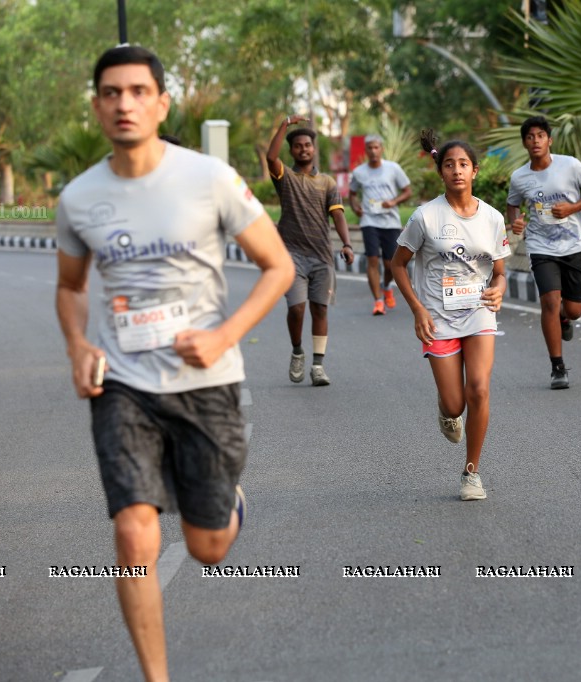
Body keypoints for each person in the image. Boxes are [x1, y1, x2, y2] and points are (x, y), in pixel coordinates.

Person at [54, 45, 294, 682]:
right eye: (111, 92)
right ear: (97, 104)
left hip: (206, 382)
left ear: (161, 103)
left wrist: (224, 336)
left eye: (138, 91)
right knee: (134, 534)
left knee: (207, 547)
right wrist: (79, 347)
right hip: (123, 383)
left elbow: (280, 267)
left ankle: (225, 503)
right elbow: (73, 288)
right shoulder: (80, 198)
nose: (124, 103)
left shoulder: (207, 179)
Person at [391, 129, 510, 501]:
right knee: (455, 403)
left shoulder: (492, 218)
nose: (456, 170)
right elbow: (398, 265)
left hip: (478, 312)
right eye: (449, 165)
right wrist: (417, 309)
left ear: (475, 171)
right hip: (438, 318)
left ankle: (471, 472)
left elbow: (501, 271)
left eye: (463, 164)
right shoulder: (425, 217)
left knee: (479, 388)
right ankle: (447, 411)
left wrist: (499, 290)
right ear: (440, 171)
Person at [506, 115, 581, 390]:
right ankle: (557, 367)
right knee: (549, 301)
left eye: (540, 135)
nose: (535, 141)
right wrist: (515, 221)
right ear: (525, 143)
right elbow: (512, 204)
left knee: (573, 310)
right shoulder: (520, 176)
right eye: (530, 137)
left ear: (549, 140)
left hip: (574, 245)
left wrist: (572, 208)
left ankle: (564, 318)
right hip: (540, 246)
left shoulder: (570, 166)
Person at [267, 115, 354, 386]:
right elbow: (271, 158)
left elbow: (338, 215)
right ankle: (297, 351)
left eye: (307, 145)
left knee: (320, 310)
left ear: (313, 149)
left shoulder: (327, 182)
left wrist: (347, 243)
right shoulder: (285, 177)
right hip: (291, 255)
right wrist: (285, 124)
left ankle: (318, 366)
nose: (303, 149)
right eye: (298, 146)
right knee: (297, 309)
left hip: (321, 255)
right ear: (291, 150)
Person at [348, 134, 412, 315]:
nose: (373, 151)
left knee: (390, 264)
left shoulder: (393, 168)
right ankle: (378, 301)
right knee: (372, 260)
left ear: (381, 149)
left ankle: (386, 287)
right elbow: (351, 194)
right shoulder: (359, 172)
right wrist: (355, 208)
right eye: (370, 148)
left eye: (376, 147)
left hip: (390, 221)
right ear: (366, 150)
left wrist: (394, 201)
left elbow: (407, 191)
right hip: (369, 220)